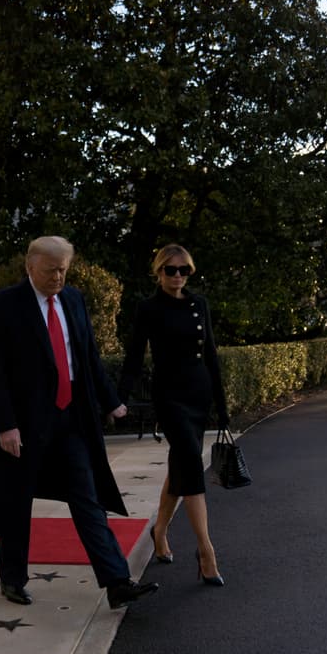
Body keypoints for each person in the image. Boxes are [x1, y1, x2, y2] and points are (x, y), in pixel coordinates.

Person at [0, 236, 159, 610]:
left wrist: (112, 401)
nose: (58, 276)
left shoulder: (73, 300)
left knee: (87, 498)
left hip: (71, 419)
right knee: (16, 501)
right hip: (25, 425)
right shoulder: (4, 306)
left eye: (63, 269)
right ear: (30, 267)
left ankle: (117, 581)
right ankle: (12, 578)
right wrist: (5, 425)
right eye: (50, 270)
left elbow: (86, 356)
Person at [119, 244, 228, 587]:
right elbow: (135, 356)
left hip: (199, 395)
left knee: (181, 466)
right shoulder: (149, 308)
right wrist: (118, 398)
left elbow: (210, 353)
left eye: (184, 270)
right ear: (159, 272)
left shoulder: (200, 305)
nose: (178, 276)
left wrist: (222, 407)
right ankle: (206, 551)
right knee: (191, 468)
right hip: (170, 399)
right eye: (171, 270)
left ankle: (159, 531)